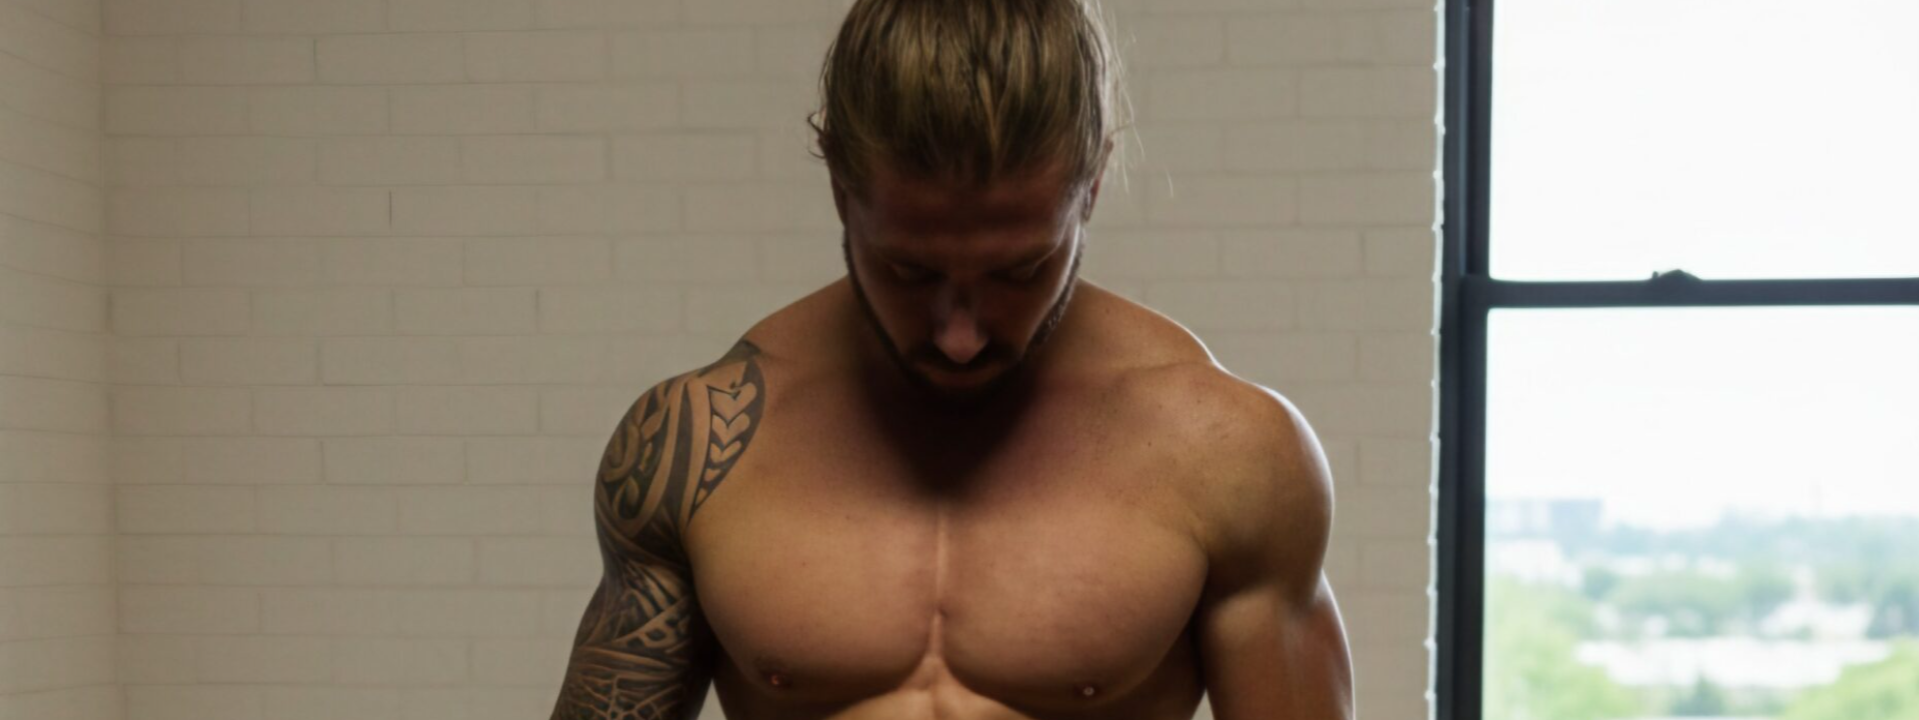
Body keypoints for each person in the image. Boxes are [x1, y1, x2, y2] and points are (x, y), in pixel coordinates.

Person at [545, 1, 1354, 718]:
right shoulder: (694, 449)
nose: (959, 336)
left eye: (1018, 271)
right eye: (909, 271)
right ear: (839, 187)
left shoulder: (1230, 455)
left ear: (1093, 183)